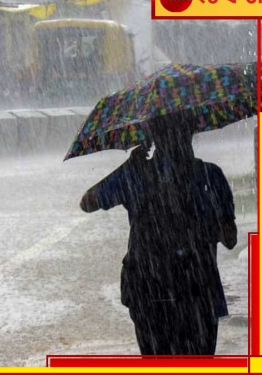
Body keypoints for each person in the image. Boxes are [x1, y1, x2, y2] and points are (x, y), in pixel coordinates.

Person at [80, 113, 237, 356]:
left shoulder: (136, 174)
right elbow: (230, 239)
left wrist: (127, 168)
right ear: (191, 134)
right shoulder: (210, 176)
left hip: (149, 292)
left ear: (151, 138)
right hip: (198, 293)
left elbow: (88, 202)